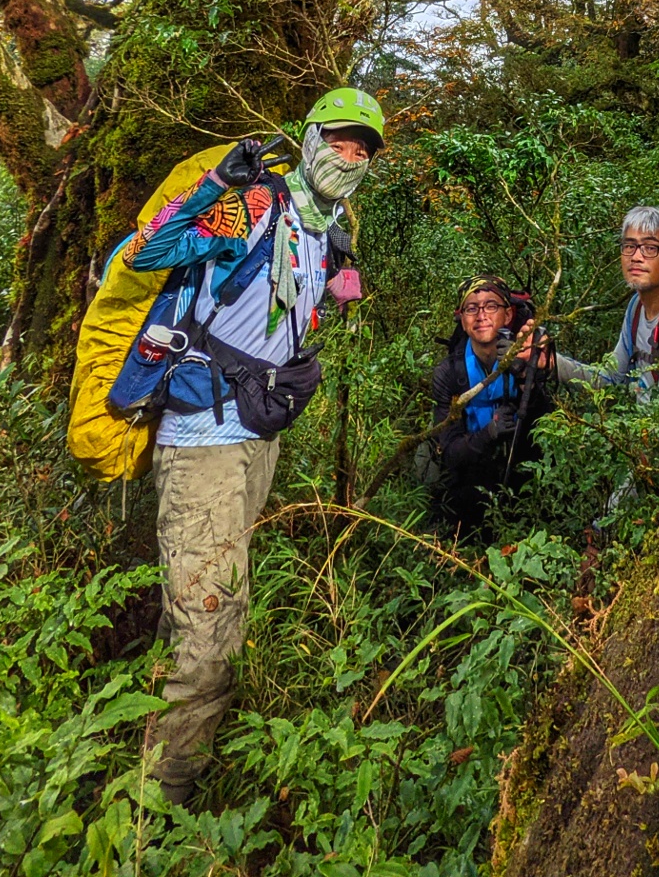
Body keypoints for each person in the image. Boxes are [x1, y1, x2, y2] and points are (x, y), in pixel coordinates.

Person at [126, 86, 385, 805]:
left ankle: (178, 763)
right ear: (308, 138)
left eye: (363, 149)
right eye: (338, 139)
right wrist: (217, 186)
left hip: (256, 438)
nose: (350, 156)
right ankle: (157, 812)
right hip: (203, 439)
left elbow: (305, 305)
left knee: (217, 610)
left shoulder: (329, 225)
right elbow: (147, 253)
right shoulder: (259, 204)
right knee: (210, 637)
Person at [424, 275, 555, 538]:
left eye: (491, 306)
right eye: (471, 308)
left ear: (507, 315)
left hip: (522, 467)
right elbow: (450, 452)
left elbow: (549, 428)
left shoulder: (526, 357)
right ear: (462, 319)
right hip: (469, 470)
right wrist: (489, 434)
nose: (481, 315)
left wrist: (521, 376)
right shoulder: (450, 372)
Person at [556, 207, 659, 399]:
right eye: (629, 246)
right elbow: (611, 380)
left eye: (650, 248)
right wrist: (550, 360)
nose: (636, 257)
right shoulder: (637, 306)